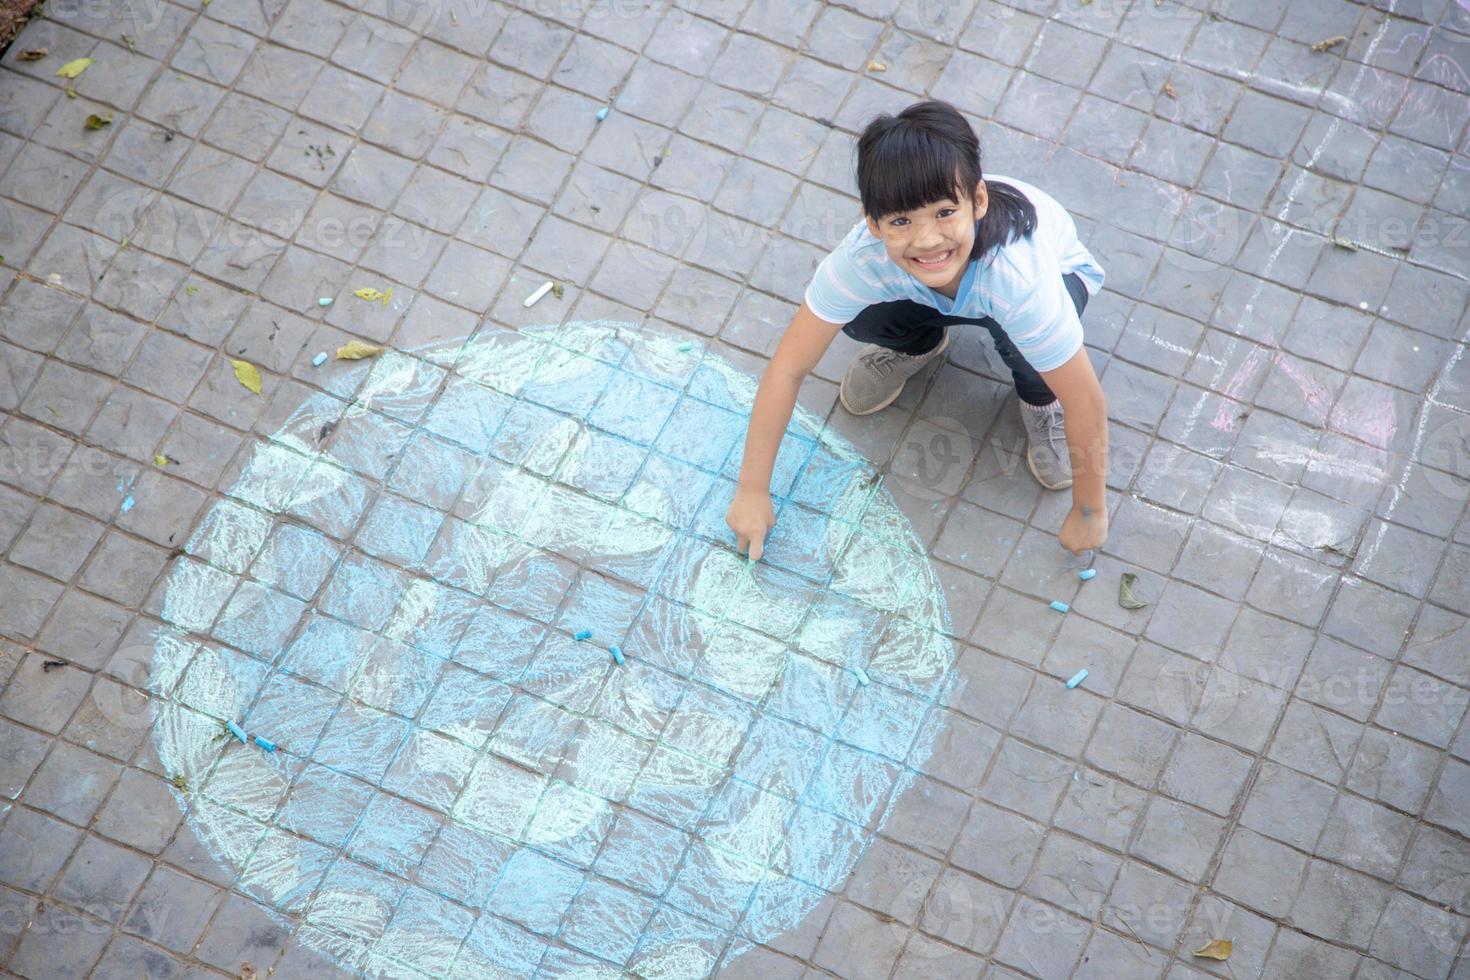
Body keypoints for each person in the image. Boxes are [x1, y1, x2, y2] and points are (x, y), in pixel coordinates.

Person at [726, 99, 1109, 561]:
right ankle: (920, 344)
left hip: (1049, 280)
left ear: (978, 200)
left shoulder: (1021, 282)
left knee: (1035, 356)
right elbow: (788, 368)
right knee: (859, 315)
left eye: (946, 212)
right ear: (872, 224)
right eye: (902, 221)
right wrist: (751, 489)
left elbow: (1085, 399)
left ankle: (1038, 397)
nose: (927, 239)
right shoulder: (861, 260)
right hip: (941, 289)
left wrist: (1090, 511)